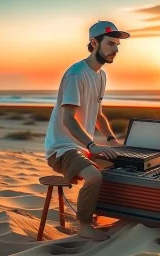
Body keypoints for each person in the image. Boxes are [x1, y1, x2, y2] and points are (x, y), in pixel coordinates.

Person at [44, 20, 130, 241]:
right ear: (94, 42)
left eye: (117, 45)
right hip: (62, 149)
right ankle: (84, 224)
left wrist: (112, 140)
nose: (116, 50)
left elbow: (99, 115)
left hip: (83, 148)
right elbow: (69, 119)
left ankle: (110, 213)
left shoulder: (101, 75)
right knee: (93, 176)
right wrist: (92, 145)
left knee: (119, 166)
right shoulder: (76, 74)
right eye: (111, 44)